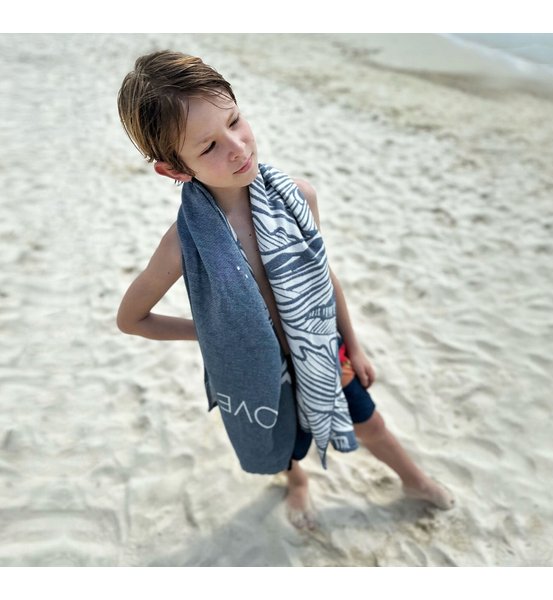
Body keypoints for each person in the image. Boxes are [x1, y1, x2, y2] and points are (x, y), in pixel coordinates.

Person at [116, 50, 454, 530]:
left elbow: (323, 276)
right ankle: (297, 483)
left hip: (320, 347)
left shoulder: (298, 197)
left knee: (371, 422)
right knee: (283, 443)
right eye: (208, 147)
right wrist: (212, 332)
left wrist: (354, 344)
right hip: (256, 370)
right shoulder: (181, 244)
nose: (237, 147)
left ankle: (414, 480)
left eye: (235, 121)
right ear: (174, 169)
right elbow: (131, 319)